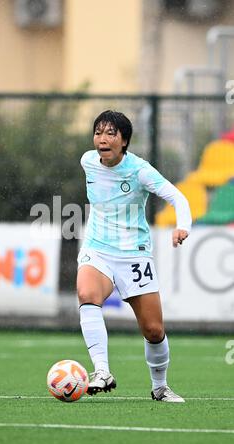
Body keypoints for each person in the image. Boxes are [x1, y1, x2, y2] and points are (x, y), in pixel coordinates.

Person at [77, 110, 191, 402]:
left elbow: (178, 197)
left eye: (111, 133)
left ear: (124, 141)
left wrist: (182, 226)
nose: (102, 139)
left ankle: (160, 387)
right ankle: (102, 371)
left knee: (153, 330)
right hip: (97, 248)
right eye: (98, 132)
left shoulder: (140, 170)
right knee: (87, 293)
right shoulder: (88, 161)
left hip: (133, 255)